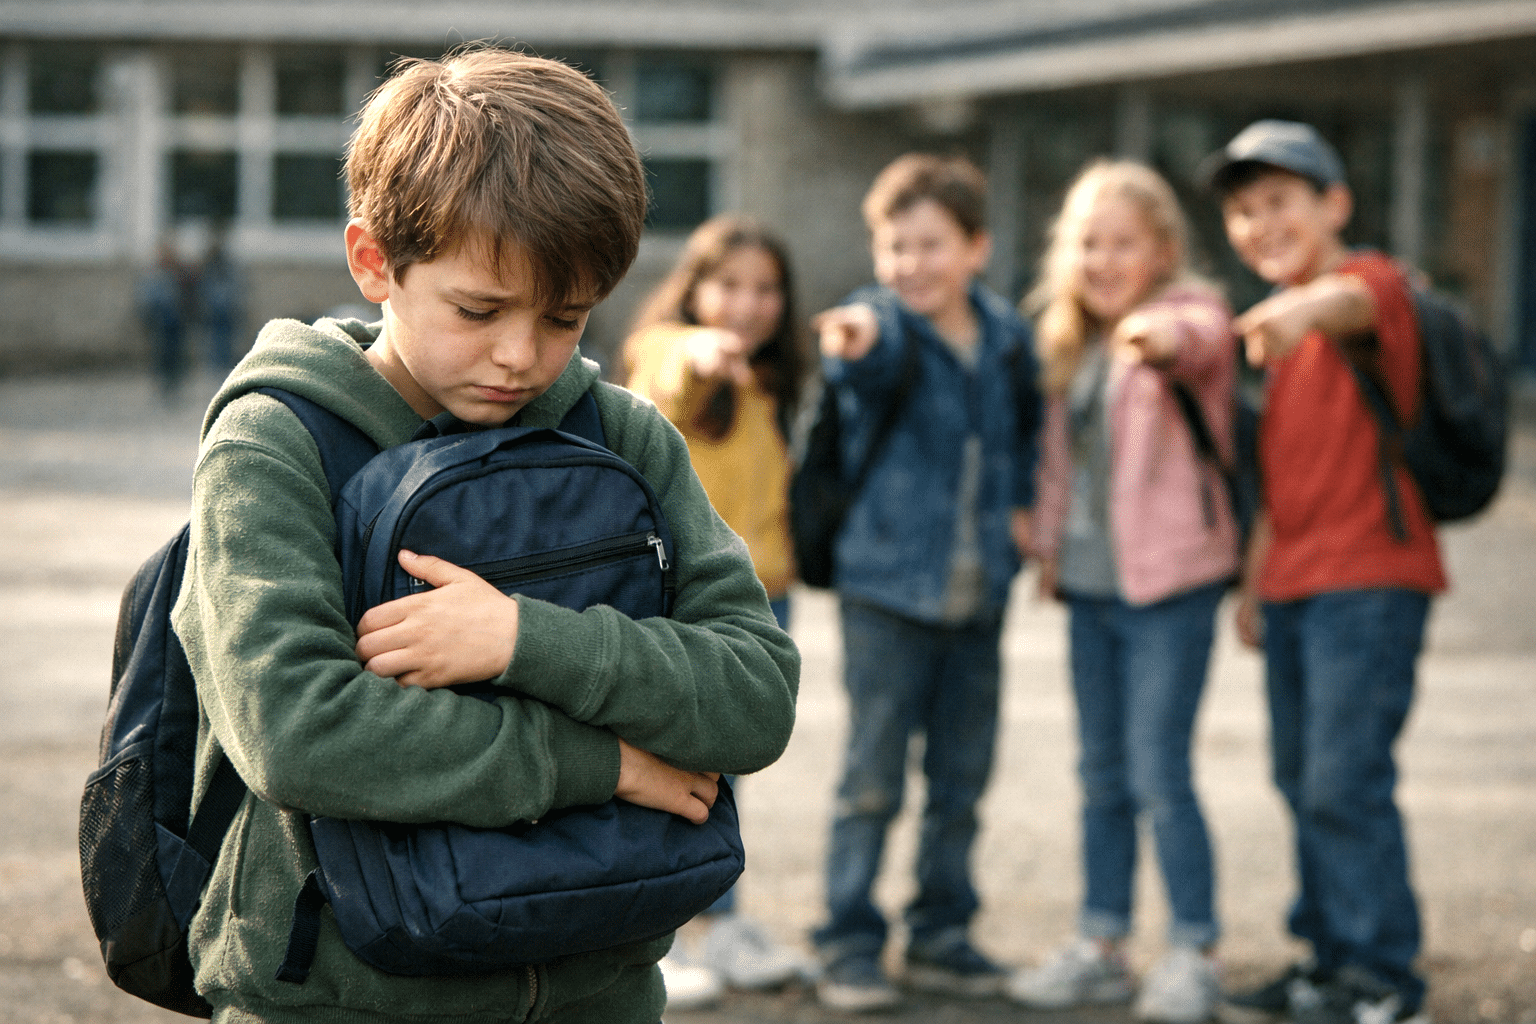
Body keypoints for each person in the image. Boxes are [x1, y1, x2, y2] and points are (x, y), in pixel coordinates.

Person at [169, 46, 799, 1024]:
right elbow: (298, 728)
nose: (521, 355)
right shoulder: (276, 438)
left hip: (597, 989)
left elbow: (756, 697)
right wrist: (607, 764)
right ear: (374, 260)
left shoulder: (623, 433)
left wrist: (522, 639)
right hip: (342, 996)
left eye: (565, 316)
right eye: (479, 309)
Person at [1202, 120, 1445, 1024]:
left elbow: (1353, 301)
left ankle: (1384, 976)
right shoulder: (1281, 340)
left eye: (1279, 202)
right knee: (1303, 779)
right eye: (1242, 211)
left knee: (1346, 780)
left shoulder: (1369, 285)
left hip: (1371, 579)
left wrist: (1303, 307)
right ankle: (1329, 960)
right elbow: (1277, 484)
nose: (1260, 224)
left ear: (1335, 204)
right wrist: (1258, 582)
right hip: (1299, 583)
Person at [1003, 159, 1239, 1024]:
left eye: (1123, 245)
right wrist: (1051, 547)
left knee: (1159, 773)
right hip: (1095, 590)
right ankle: (1102, 942)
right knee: (1101, 775)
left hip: (1170, 586)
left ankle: (1194, 949)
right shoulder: (1075, 344)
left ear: (1164, 252)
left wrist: (1159, 341)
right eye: (1087, 244)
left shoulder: (1186, 318)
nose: (1102, 261)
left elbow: (1205, 340)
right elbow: (1063, 463)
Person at [808, 152, 1041, 1012]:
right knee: (872, 776)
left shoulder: (1007, 335)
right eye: (894, 246)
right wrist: (853, 342)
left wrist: (1022, 517)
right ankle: (848, 939)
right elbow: (859, 354)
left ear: (977, 247)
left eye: (931, 245)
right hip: (886, 591)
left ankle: (942, 932)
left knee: (961, 778)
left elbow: (1023, 435)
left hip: (979, 592)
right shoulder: (883, 325)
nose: (910, 265)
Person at [621, 212, 815, 1008]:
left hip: (768, 597)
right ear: (694, 288)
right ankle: (647, 935)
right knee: (663, 769)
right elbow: (670, 366)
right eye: (729, 285)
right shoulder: (668, 351)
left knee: (729, 769)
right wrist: (702, 351)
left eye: (766, 289)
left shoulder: (774, 381)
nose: (747, 305)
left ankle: (724, 919)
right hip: (682, 601)